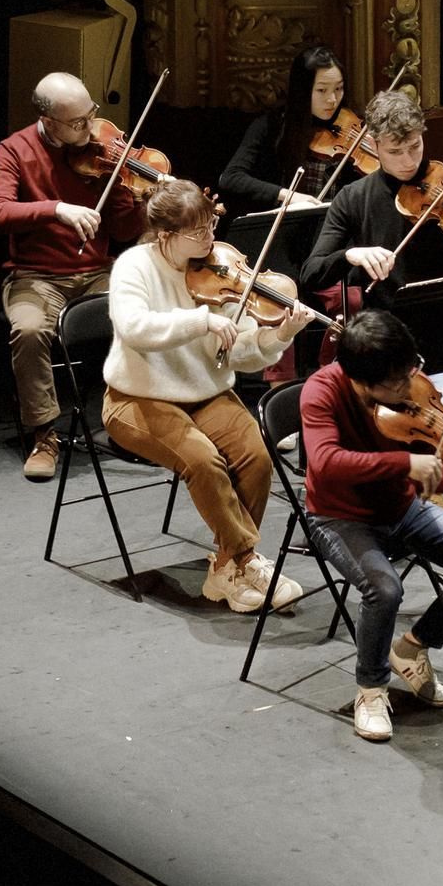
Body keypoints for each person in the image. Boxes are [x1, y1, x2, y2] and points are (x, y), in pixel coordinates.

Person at [299, 309, 443, 742]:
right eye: (394, 383)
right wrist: (403, 462)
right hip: (338, 517)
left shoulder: (407, 387)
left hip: (401, 507)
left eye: (408, 372)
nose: (405, 389)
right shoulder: (320, 392)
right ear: (360, 379)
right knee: (385, 589)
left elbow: (431, 466)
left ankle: (411, 649)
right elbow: (325, 462)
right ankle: (371, 689)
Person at [103, 180, 315, 612]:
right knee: (203, 461)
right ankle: (247, 560)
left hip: (205, 395)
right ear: (166, 236)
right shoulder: (134, 266)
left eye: (211, 226)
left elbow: (240, 351)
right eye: (197, 232)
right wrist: (200, 321)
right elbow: (134, 328)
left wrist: (281, 335)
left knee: (256, 456)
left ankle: (225, 569)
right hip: (136, 398)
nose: (210, 239)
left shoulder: (218, 269)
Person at [0, 73, 144, 479]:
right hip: (36, 277)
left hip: (96, 274)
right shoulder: (15, 150)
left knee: (145, 314)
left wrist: (138, 199)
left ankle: (133, 428)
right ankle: (44, 435)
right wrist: (56, 209)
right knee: (30, 330)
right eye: (78, 123)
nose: (90, 129)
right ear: (49, 121)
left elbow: (123, 231)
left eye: (92, 115)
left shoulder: (104, 154)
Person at [298, 85, 443, 307]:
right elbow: (310, 275)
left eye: (415, 146)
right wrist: (350, 255)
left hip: (441, 319)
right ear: (372, 143)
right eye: (395, 152)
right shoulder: (353, 198)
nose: (409, 161)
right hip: (383, 329)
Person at [215, 45, 355, 266]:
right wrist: (289, 196)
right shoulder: (270, 126)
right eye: (322, 90)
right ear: (303, 89)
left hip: (331, 236)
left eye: (339, 89)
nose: (332, 100)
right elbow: (231, 177)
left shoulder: (352, 129)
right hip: (280, 236)